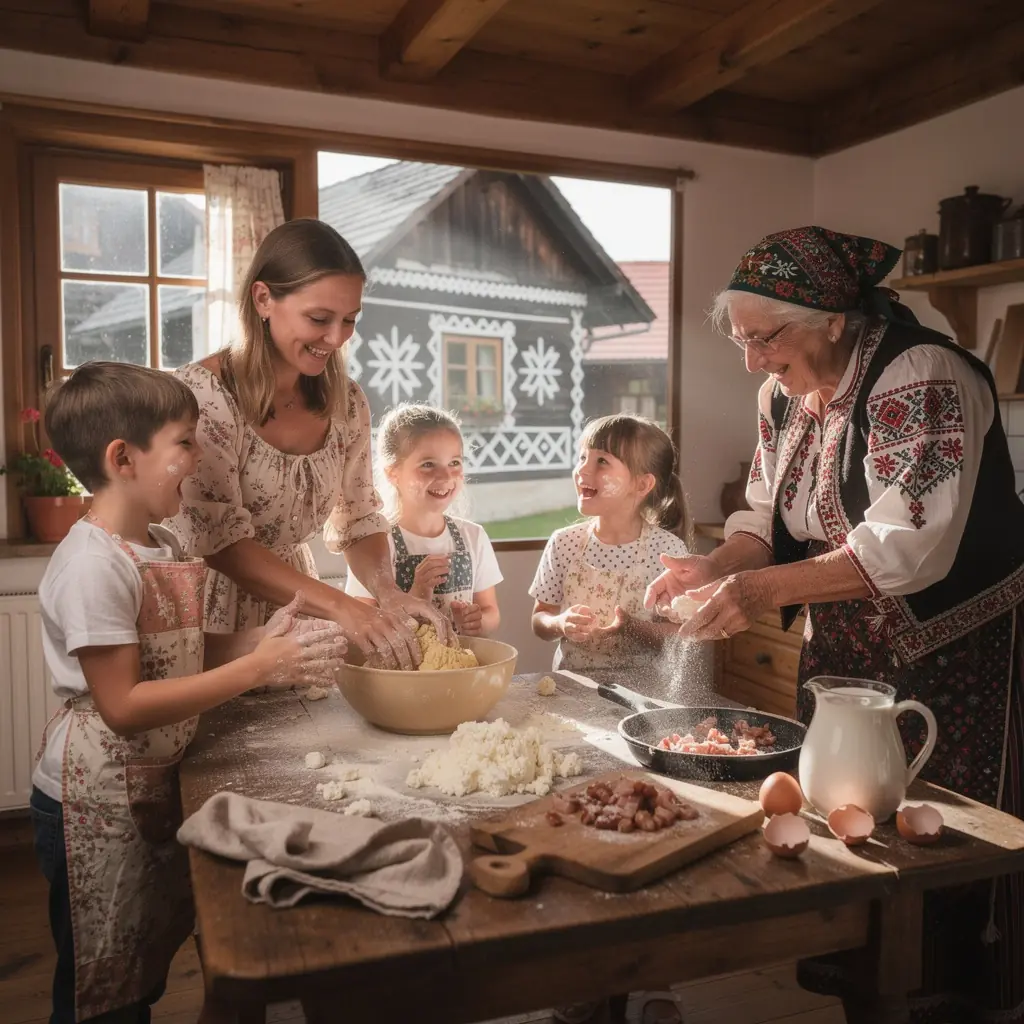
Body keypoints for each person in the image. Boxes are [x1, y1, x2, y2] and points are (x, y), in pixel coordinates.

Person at [645, 225, 1024, 1023]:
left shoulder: (920, 374)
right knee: (844, 811)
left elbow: (908, 545)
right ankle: (867, 986)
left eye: (765, 338)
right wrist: (714, 567)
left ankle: (953, 996)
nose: (752, 360)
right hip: (847, 642)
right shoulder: (782, 395)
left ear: (831, 318)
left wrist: (756, 593)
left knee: (939, 827)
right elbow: (764, 518)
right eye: (743, 341)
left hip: (952, 645)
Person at [30, 362, 346, 1024]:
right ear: (123, 458)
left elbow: (181, 648)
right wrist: (256, 672)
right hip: (93, 797)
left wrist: (259, 644)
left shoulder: (161, 541)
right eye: (184, 442)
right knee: (100, 985)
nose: (197, 457)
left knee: (138, 970)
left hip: (146, 786)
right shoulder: (92, 565)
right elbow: (124, 704)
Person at [167, 218, 449, 671]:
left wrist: (387, 592)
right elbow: (222, 544)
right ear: (263, 299)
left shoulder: (347, 401)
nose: (336, 339)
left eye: (349, 320)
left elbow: (358, 517)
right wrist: (342, 607)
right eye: (319, 319)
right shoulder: (203, 397)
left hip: (301, 607)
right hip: (213, 616)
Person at [345, 404, 502, 636]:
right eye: (428, 464)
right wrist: (417, 596)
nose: (446, 476)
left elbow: (491, 612)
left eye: (455, 463)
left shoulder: (474, 536)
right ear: (393, 473)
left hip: (460, 670)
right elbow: (362, 624)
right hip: (400, 672)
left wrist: (476, 622)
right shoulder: (375, 542)